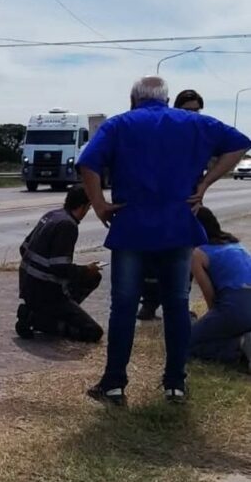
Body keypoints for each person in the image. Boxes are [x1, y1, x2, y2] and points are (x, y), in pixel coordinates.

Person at [78, 76, 250, 406]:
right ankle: (175, 384)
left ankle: (114, 384)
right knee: (176, 305)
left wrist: (98, 203)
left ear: (133, 99)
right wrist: (204, 186)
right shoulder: (192, 123)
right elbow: (240, 144)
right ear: (167, 99)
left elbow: (88, 162)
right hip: (178, 227)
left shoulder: (119, 125)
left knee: (124, 307)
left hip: (131, 227)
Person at [138, 89, 207, 321]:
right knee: (152, 259)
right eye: (188, 110)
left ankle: (178, 305)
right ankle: (149, 304)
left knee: (184, 259)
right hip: (160, 206)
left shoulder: (199, 134)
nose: (194, 115)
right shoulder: (164, 132)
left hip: (186, 208)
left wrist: (202, 188)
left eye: (197, 110)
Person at [16, 185, 104, 343]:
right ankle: (38, 319)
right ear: (84, 206)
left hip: (28, 285)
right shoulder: (68, 226)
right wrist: (85, 269)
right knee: (93, 332)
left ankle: (48, 312)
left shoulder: (52, 215)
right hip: (45, 292)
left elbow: (23, 248)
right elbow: (59, 269)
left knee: (93, 277)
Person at [188, 207, 251, 372]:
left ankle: (238, 346)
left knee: (185, 343)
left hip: (236, 305)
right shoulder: (235, 243)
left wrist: (211, 322)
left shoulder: (197, 254)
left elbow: (210, 297)